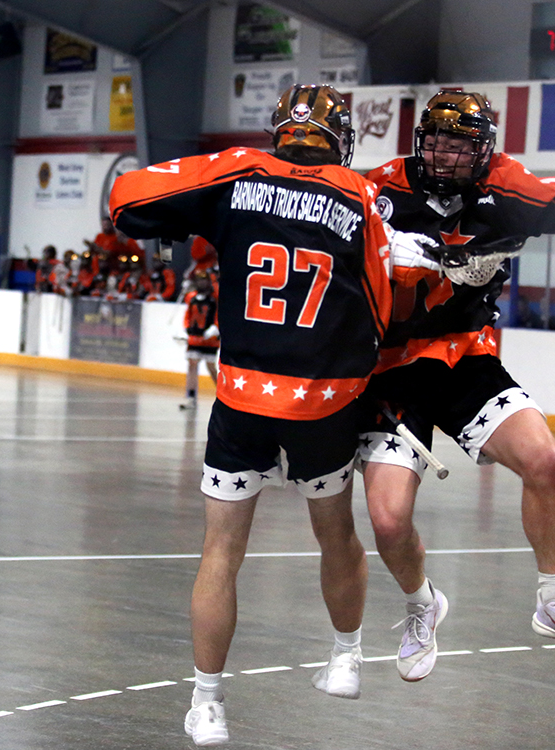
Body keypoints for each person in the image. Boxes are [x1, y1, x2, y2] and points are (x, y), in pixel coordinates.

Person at [110, 83, 439, 746]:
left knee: (222, 551)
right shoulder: (363, 197)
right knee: (335, 533)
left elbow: (128, 200)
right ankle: (345, 657)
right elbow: (383, 312)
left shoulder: (236, 172)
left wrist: (188, 216)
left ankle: (206, 703)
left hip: (242, 401)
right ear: (339, 136)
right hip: (324, 404)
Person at [357, 80, 555, 680]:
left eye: (460, 144)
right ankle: (422, 605)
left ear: (483, 150)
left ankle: (553, 600)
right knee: (389, 520)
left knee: (544, 460)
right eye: (437, 142)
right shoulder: (378, 188)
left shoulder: (504, 183)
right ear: (419, 141)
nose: (446, 154)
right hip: (391, 370)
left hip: (466, 359)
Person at [179, 269, 220, 410]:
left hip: (210, 339)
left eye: (205, 280)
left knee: (211, 367)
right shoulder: (192, 297)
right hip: (195, 338)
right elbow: (188, 315)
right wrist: (186, 328)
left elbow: (219, 314)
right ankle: (190, 397)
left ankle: (222, 395)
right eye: (199, 280)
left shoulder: (215, 297)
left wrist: (215, 328)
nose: (202, 282)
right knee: (192, 365)